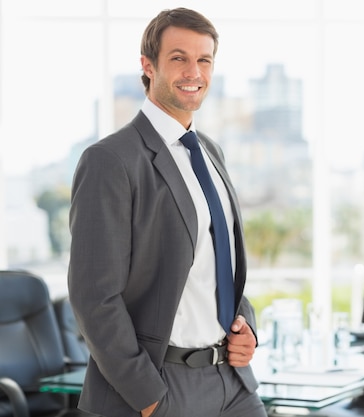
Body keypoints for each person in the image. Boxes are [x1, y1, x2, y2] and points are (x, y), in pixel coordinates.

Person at [68, 8, 267, 417]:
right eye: (178, 58)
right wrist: (149, 397)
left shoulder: (210, 152)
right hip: (161, 386)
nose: (193, 71)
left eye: (204, 60)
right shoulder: (110, 160)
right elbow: (94, 297)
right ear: (148, 65)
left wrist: (244, 325)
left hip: (233, 382)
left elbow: (218, 264)